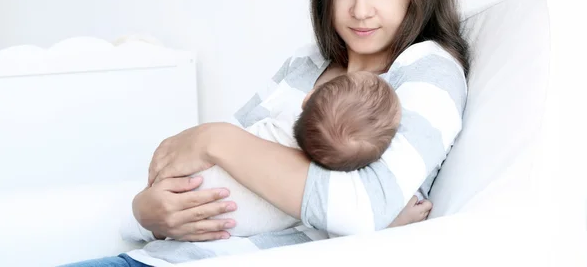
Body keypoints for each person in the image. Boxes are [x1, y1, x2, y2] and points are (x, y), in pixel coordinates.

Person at [61, 0, 469, 267]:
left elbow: (363, 208)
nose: (360, 10)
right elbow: (208, 170)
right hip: (158, 255)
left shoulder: (428, 72)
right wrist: (147, 212)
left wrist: (216, 139)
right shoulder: (307, 64)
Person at [120, 71, 401, 242]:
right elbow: (341, 228)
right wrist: (395, 222)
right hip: (203, 227)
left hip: (181, 202)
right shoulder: (320, 193)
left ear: (306, 99)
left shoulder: (283, 118)